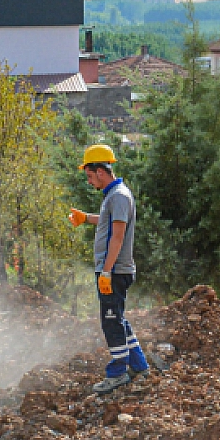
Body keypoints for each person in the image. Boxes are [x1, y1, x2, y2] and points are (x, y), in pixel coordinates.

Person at [69, 144, 158, 394]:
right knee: (117, 317)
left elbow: (117, 237)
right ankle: (139, 365)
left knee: (111, 322)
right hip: (114, 269)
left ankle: (118, 372)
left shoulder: (118, 196)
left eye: (89, 175)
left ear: (100, 171)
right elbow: (110, 221)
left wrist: (106, 272)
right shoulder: (114, 194)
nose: (88, 181)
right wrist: (86, 217)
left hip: (115, 271)